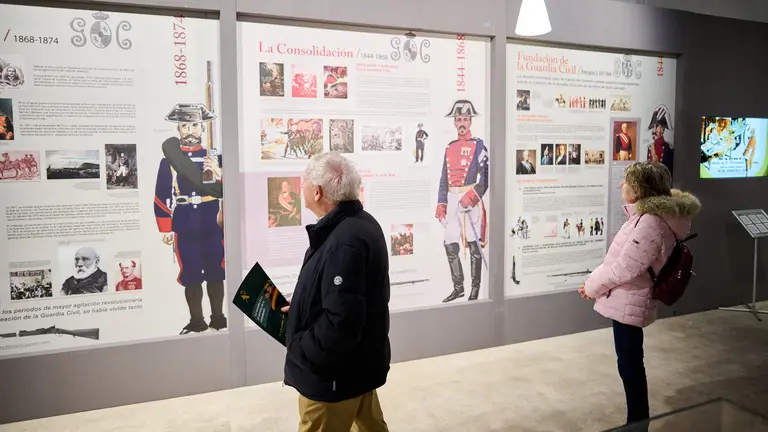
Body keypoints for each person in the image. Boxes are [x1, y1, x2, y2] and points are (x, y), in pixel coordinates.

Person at [578, 162, 700, 426]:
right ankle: (637, 421)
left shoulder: (649, 224)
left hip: (629, 301)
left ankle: (637, 423)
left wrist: (591, 287)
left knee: (630, 364)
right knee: (630, 362)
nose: (622, 185)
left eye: (627, 181)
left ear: (640, 189)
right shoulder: (648, 219)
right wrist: (592, 284)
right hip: (626, 299)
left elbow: (624, 268)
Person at [282, 152, 390, 432]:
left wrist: (300, 346)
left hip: (333, 380)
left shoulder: (344, 241)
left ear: (317, 192)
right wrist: (305, 303)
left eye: (303, 182)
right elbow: (347, 296)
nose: (301, 187)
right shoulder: (359, 224)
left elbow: (341, 323)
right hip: (359, 367)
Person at [154, 103, 226, 335]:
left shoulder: (216, 159)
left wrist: (220, 173)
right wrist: (165, 229)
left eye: (195, 125)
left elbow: (233, 192)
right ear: (179, 130)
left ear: (202, 128)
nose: (191, 130)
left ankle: (218, 318)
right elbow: (161, 195)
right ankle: (197, 322)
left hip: (212, 221)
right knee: (191, 273)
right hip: (185, 222)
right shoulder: (169, 162)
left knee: (216, 270)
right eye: (185, 126)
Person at [436, 100, 489, 303]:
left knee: (474, 246)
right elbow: (443, 179)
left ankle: (475, 289)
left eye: (465, 119)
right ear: (454, 122)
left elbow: (486, 176)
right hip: (452, 198)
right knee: (450, 244)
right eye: (458, 119)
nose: (462, 123)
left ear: (470, 121)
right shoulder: (449, 147)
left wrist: (472, 198)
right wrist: (441, 204)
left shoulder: (478, 145)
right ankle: (458, 287)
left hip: (469, 197)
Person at [646, 105, 674, 176]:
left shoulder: (668, 148)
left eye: (658, 126)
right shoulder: (650, 147)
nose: (654, 129)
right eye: (655, 126)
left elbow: (669, 170)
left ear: (663, 130)